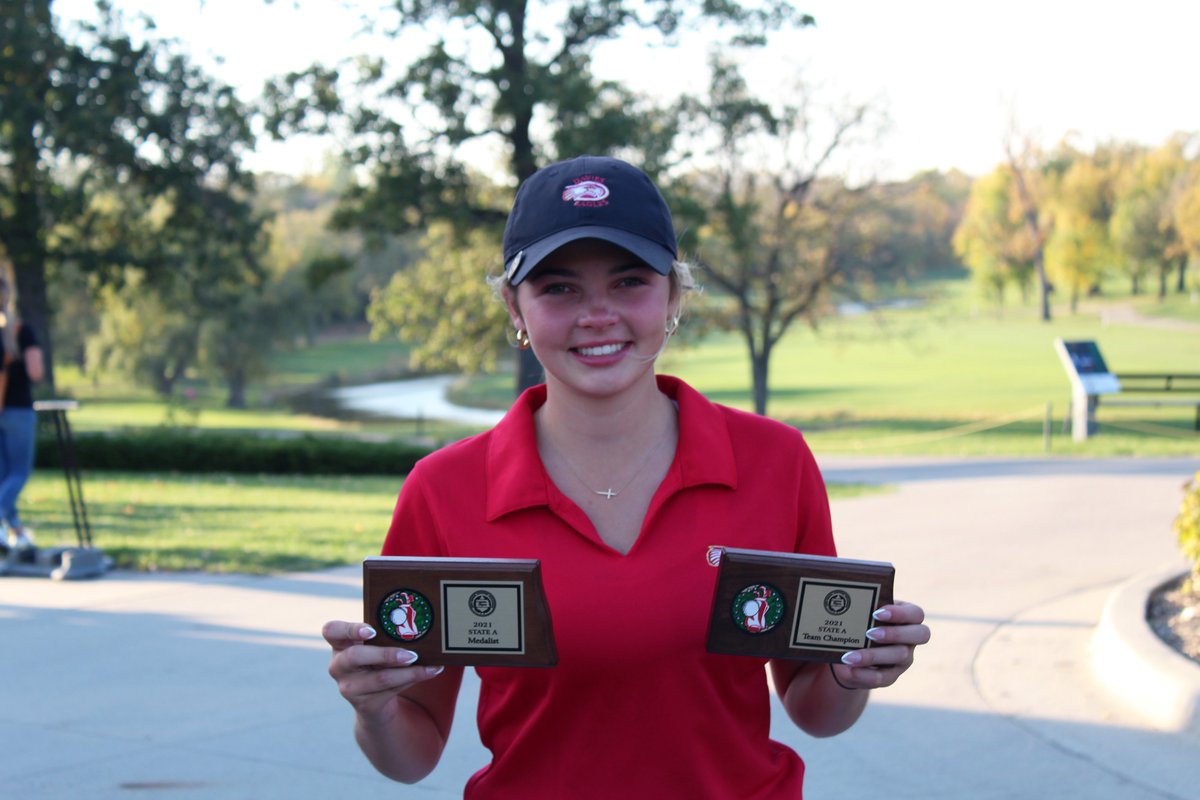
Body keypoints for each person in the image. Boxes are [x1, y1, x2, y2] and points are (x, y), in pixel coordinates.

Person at [323, 155, 930, 798]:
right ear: (514, 306)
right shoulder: (443, 490)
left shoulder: (774, 462)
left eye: (629, 282)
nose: (597, 315)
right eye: (559, 288)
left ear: (672, 293)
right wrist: (375, 706)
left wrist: (854, 667)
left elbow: (814, 710)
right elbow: (409, 757)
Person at [0, 274, 44, 551]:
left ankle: (16, 532)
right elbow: (36, 372)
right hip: (17, 409)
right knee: (19, 473)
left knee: (4, 476)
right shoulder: (21, 331)